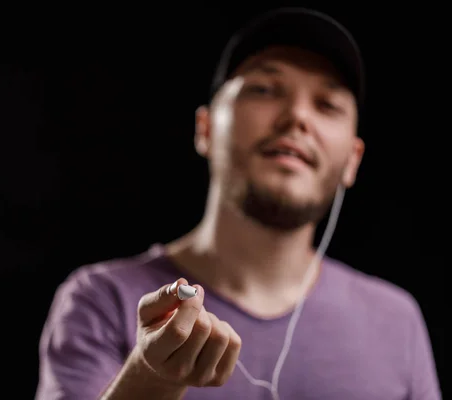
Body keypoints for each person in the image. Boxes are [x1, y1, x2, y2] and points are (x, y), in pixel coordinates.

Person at [35, 8, 441, 400]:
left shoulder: (396, 321)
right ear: (206, 128)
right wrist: (151, 377)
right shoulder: (101, 299)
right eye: (264, 89)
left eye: (327, 105)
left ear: (353, 160)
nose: (297, 117)